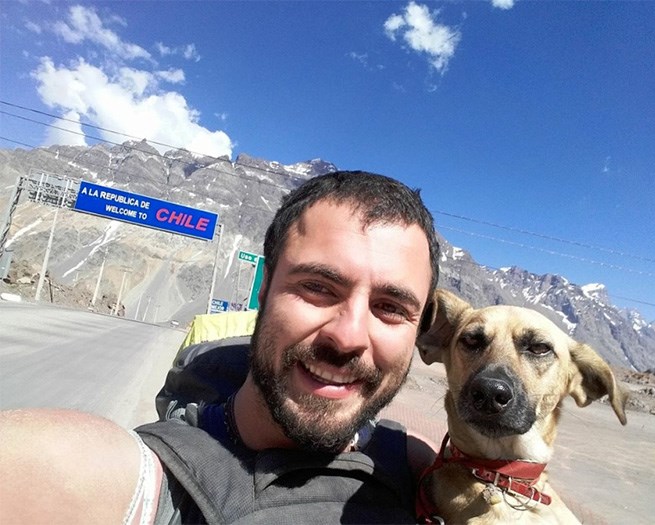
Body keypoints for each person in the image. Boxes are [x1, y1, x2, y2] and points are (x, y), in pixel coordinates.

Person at [0, 170, 440, 524]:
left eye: (390, 307)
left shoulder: (422, 473)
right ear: (265, 288)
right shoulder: (139, 482)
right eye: (318, 288)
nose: (347, 337)